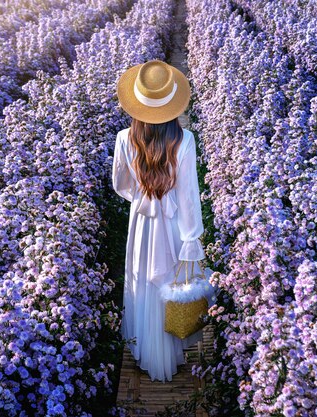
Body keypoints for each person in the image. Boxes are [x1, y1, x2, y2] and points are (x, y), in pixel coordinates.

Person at [112, 59, 206, 382]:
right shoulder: (184, 140)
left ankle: (145, 351)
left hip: (141, 224)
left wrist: (141, 199)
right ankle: (170, 352)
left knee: (141, 278)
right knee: (170, 282)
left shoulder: (125, 138)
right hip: (174, 223)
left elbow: (119, 184)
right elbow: (189, 195)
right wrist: (192, 238)